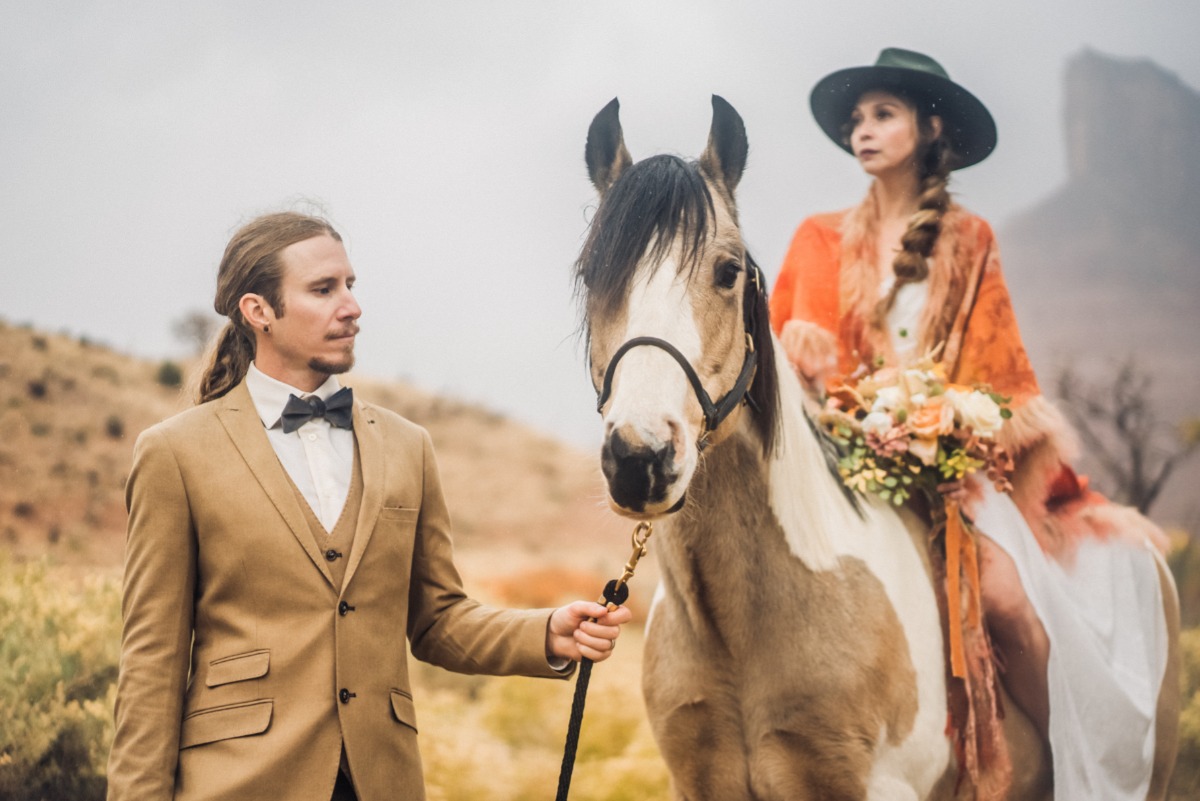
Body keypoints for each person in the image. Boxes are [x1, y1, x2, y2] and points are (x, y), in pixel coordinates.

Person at [106, 211, 632, 801]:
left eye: (350, 286)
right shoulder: (175, 454)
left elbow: (438, 621)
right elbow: (152, 662)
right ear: (259, 312)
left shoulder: (408, 447)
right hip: (240, 782)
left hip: (382, 780)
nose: (351, 307)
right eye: (324, 289)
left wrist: (545, 633)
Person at [770, 48, 1172, 799]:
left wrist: (941, 421)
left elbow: (1000, 378)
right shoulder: (817, 238)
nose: (863, 130)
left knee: (1006, 601)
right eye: (857, 118)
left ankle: (1066, 766)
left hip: (952, 463)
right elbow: (791, 362)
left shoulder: (970, 238)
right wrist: (834, 393)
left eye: (882, 113)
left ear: (929, 127)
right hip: (840, 458)